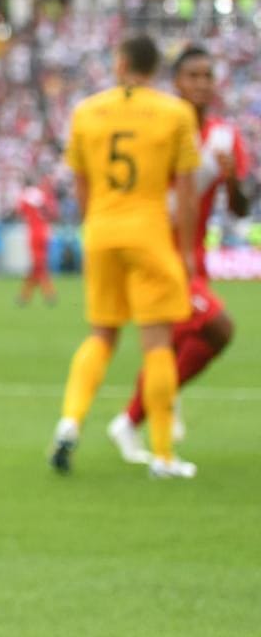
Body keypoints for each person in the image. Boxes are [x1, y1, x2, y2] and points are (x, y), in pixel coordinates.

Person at [49, 35, 201, 480]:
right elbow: (187, 193)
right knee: (157, 345)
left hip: (101, 231)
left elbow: (80, 185)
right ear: (155, 69)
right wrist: (188, 249)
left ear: (120, 62)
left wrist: (91, 225)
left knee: (101, 335)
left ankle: (69, 422)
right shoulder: (175, 112)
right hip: (149, 232)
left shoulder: (87, 112)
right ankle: (163, 456)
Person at [106, 45, 249, 464]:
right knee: (218, 328)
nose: (202, 84)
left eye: (208, 76)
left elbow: (240, 206)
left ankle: (140, 416)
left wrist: (232, 178)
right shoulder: (159, 129)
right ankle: (136, 419)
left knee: (171, 346)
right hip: (157, 255)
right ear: (176, 83)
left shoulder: (224, 135)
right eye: (193, 76)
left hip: (192, 258)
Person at [15, 181, 56, 306]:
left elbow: (19, 211)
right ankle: (26, 295)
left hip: (34, 233)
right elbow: (52, 213)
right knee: (38, 265)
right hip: (45, 232)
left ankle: (46, 294)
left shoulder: (26, 196)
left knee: (38, 265)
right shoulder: (43, 195)